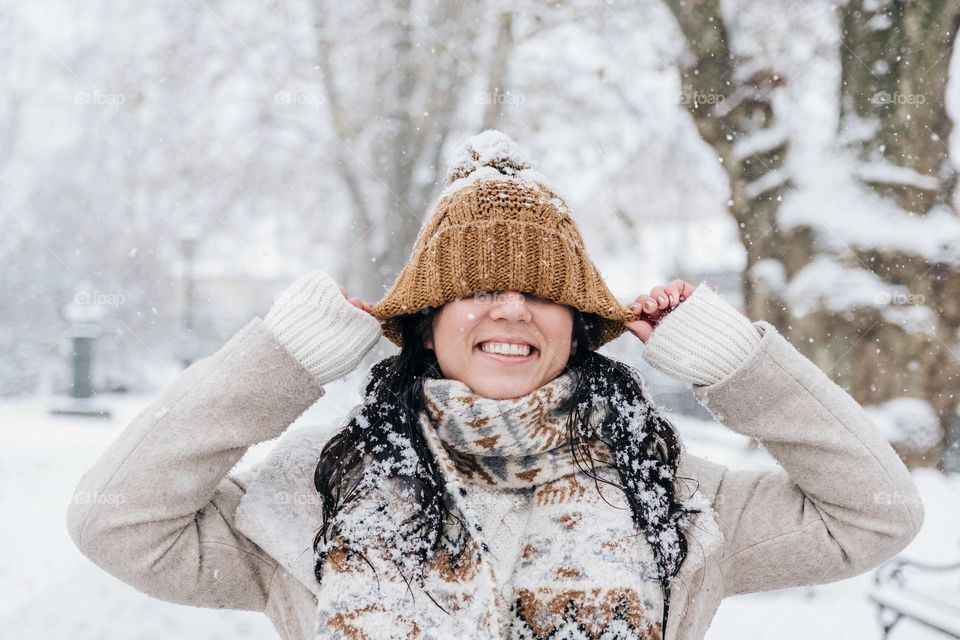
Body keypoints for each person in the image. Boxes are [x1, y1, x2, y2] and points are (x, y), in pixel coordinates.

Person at [67, 130, 923, 640]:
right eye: (476, 288)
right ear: (428, 322)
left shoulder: (673, 494)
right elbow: (117, 522)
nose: (510, 310)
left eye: (543, 291)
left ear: (578, 323)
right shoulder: (313, 494)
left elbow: (875, 515)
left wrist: (738, 364)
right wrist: (282, 361)